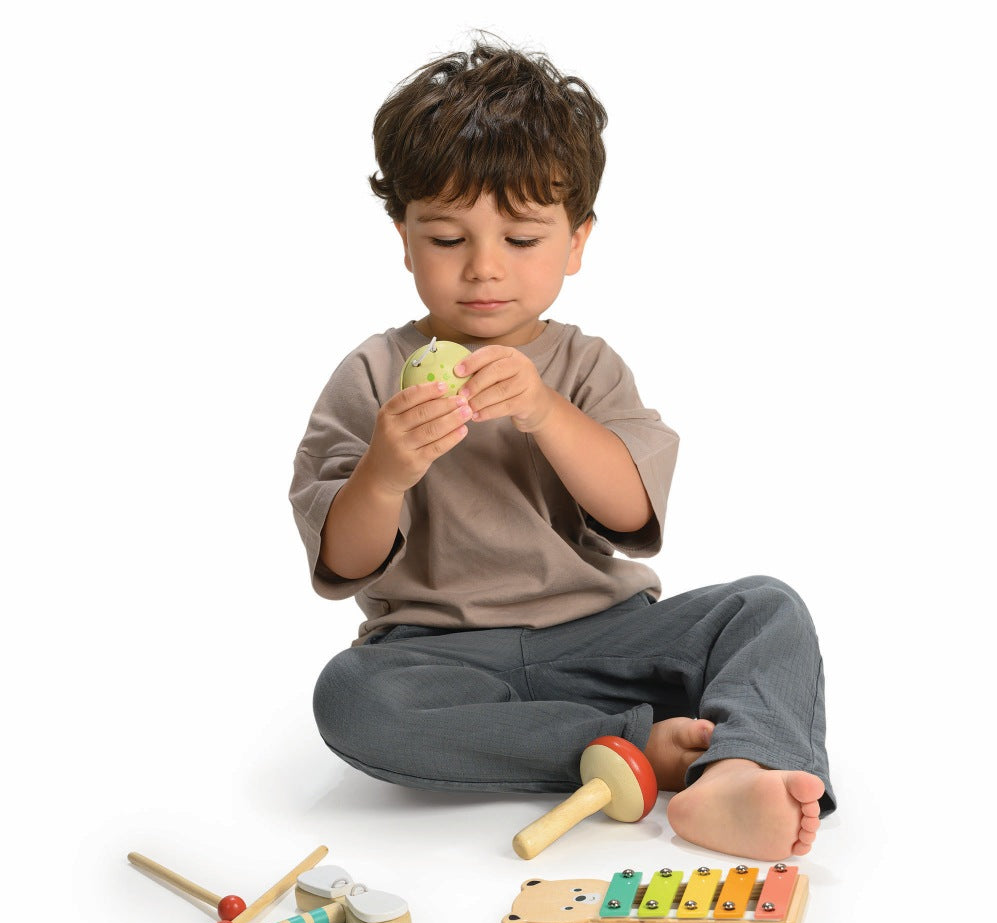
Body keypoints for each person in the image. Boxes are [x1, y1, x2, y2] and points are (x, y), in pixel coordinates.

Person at [289, 39, 835, 861]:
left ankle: (740, 770)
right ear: (404, 239)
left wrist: (546, 411)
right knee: (354, 700)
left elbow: (628, 512)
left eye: (520, 239)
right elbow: (342, 561)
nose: (482, 270)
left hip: (600, 634)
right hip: (438, 655)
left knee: (764, 608)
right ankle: (634, 750)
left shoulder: (584, 366)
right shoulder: (372, 375)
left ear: (576, 244)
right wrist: (385, 470)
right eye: (446, 240)